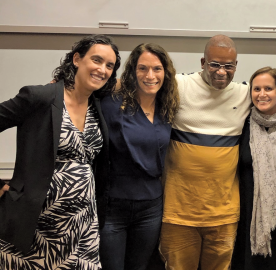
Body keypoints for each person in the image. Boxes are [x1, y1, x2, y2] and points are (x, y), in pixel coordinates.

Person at [0, 34, 121, 269]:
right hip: (36, 228)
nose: (102, 70)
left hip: (82, 228)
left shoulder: (98, 104)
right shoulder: (41, 97)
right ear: (77, 59)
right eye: (96, 60)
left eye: (110, 65)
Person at [159, 35, 251, 270]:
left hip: (223, 214)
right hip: (178, 211)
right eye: (214, 64)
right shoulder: (179, 85)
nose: (221, 72)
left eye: (228, 66)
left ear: (236, 66)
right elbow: (136, 84)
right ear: (202, 62)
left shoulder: (245, 94)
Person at [97, 43, 179, 270]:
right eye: (142, 68)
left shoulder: (168, 107)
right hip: (113, 208)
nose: (150, 75)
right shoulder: (110, 103)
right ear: (133, 71)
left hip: (151, 208)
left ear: (166, 72)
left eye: (157, 68)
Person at [231, 67, 276, 270]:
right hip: (249, 214)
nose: (262, 94)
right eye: (256, 89)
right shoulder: (241, 124)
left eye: (268, 88)